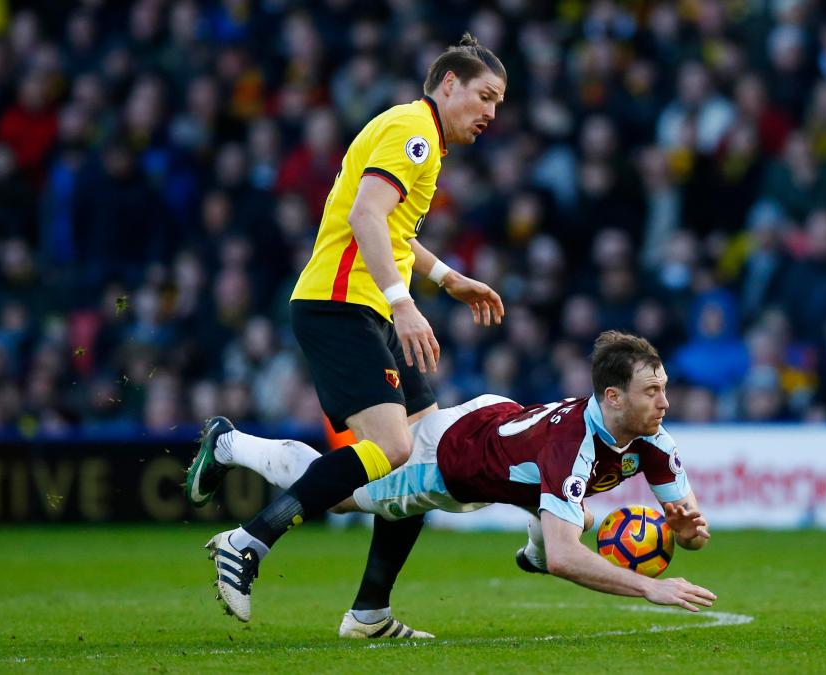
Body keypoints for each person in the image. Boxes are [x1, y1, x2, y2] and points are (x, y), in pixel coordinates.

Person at [186, 34, 507, 629]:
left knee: (420, 464)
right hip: (340, 305)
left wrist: (448, 278)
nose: (491, 113)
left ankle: (370, 613)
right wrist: (404, 302)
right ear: (448, 85)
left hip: (367, 309)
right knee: (392, 450)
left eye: (498, 103)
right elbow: (364, 217)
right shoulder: (414, 133)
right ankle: (248, 542)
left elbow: (395, 229)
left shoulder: (425, 142)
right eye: (484, 96)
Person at [196, 332, 715, 637]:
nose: (665, 403)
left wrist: (687, 532)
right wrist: (651, 586)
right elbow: (566, 558)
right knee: (338, 497)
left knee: (562, 508)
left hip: (497, 419)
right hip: (448, 459)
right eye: (652, 391)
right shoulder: (573, 446)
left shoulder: (654, 441)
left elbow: (692, 530)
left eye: (664, 389)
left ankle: (370, 616)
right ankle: (230, 444)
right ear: (614, 397)